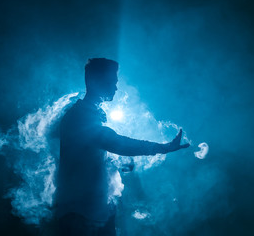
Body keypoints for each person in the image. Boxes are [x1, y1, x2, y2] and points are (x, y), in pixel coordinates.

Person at [54, 58, 189, 236]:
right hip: (82, 216)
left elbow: (95, 153)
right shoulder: (82, 118)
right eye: (112, 82)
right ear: (96, 81)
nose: (116, 88)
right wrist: (164, 147)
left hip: (87, 213)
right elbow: (117, 144)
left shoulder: (85, 114)